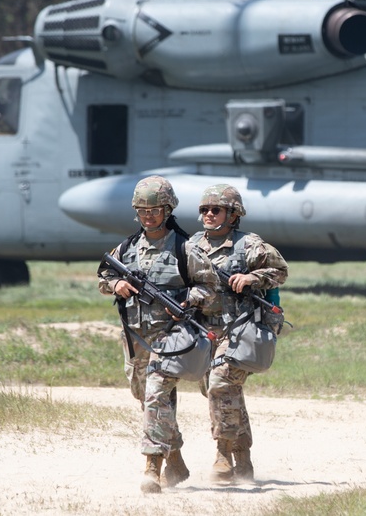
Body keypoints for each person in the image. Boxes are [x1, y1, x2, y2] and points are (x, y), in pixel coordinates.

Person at [97, 175, 221, 494]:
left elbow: (209, 286)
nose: (148, 216)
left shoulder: (185, 248)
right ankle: (176, 459)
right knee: (148, 399)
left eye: (155, 210)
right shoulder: (126, 248)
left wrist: (185, 300)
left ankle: (152, 467)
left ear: (168, 210)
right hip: (135, 336)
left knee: (155, 392)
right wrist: (117, 285)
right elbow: (103, 276)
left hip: (172, 336)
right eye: (142, 211)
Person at [186, 184, 288, 484]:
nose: (208, 214)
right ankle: (243, 458)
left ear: (233, 214)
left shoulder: (249, 245)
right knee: (221, 391)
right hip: (202, 330)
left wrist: (252, 277)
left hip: (240, 329)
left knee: (220, 383)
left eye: (215, 209)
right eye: (203, 209)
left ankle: (222, 454)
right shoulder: (190, 245)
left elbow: (280, 271)